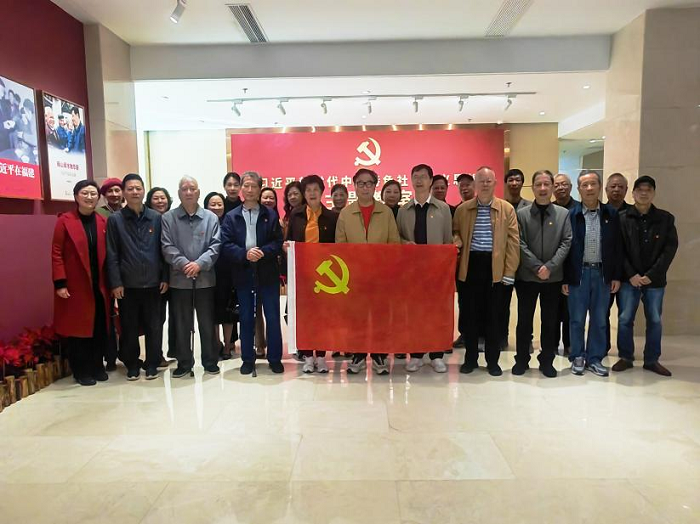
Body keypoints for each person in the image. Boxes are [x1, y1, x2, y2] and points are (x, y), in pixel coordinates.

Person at [453, 166, 519, 376]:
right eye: (480, 181)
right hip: (470, 266)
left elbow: (513, 243)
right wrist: (457, 239)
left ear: (495, 183)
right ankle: (470, 359)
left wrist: (509, 272)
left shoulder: (506, 209)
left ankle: (492, 361)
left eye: (488, 181)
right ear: (475, 184)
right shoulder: (463, 209)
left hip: (495, 268)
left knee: (494, 318)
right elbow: (454, 232)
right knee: (469, 316)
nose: (484, 184)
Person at [337, 168, 400, 375]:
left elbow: (394, 243)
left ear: (375, 186)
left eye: (369, 183)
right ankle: (359, 354)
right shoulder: (346, 213)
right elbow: (340, 246)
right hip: (355, 276)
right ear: (354, 186)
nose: (365, 187)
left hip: (380, 275)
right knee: (357, 317)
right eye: (361, 183)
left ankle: (380, 354)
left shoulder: (386, 212)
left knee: (380, 315)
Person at [221, 171, 285, 375]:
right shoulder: (232, 216)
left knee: (272, 317)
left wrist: (263, 252)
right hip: (243, 272)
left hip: (267, 272)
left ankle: (274, 358)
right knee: (247, 317)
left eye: (254, 186)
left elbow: (278, 242)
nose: (249, 190)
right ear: (241, 188)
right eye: (246, 186)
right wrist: (245, 254)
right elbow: (225, 244)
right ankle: (247, 359)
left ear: (260, 189)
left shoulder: (270, 214)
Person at [613, 175, 678, 377]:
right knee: (625, 319)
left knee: (655, 320)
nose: (643, 193)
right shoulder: (622, 218)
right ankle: (626, 357)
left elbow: (670, 249)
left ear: (653, 193)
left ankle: (651, 360)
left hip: (655, 280)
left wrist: (651, 274)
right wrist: (631, 274)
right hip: (629, 280)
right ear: (633, 193)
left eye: (648, 190)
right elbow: (618, 249)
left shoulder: (665, 219)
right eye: (640, 190)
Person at [106, 174, 168, 380]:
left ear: (143, 191)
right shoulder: (115, 220)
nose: (134, 192)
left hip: (153, 283)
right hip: (128, 284)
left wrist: (165, 277)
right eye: (130, 188)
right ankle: (132, 364)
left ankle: (152, 364)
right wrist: (116, 282)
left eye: (138, 188)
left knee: (154, 326)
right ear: (124, 192)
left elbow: (163, 250)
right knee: (129, 327)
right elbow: (112, 253)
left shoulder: (156, 218)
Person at [562, 171, 622, 377]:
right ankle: (577, 356)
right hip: (578, 274)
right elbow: (566, 248)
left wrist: (616, 275)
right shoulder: (571, 215)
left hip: (602, 274)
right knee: (577, 319)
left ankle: (595, 358)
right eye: (585, 185)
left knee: (599, 319)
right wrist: (565, 278)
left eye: (593, 184)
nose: (589, 188)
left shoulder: (611, 214)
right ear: (579, 189)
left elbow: (618, 247)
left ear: (599, 187)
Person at [513, 170, 572, 378]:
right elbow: (519, 243)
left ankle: (547, 361)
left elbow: (566, 241)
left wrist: (550, 267)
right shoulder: (522, 214)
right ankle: (521, 360)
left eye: (547, 184)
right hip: (527, 277)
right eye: (538, 184)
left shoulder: (563, 214)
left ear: (552, 187)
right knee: (524, 321)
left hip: (553, 278)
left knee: (550, 321)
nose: (543, 188)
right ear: (533, 188)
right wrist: (538, 267)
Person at [161, 176, 222, 378]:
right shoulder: (168, 218)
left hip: (205, 279)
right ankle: (184, 362)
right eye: (184, 189)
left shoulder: (211, 218)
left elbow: (215, 245)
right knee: (181, 324)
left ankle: (210, 361)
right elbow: (167, 246)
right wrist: (184, 264)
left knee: (207, 323)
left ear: (198, 192)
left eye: (192, 188)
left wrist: (199, 264)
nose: (188, 192)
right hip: (180, 280)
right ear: (179, 193)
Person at [51, 180, 110, 386]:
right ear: (76, 196)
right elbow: (56, 252)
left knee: (99, 326)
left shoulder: (103, 221)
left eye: (93, 193)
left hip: (100, 284)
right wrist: (60, 282)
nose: (89, 197)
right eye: (85, 193)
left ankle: (97, 366)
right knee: (79, 330)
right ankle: (81, 370)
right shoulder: (64, 221)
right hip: (76, 285)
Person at [397, 164, 454, 373]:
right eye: (415, 176)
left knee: (436, 313)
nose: (419, 180)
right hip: (412, 272)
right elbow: (398, 237)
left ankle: (437, 355)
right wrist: (405, 243)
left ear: (431, 181)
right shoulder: (404, 210)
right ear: (411, 180)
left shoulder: (443, 209)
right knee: (414, 313)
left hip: (436, 271)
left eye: (423, 177)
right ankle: (416, 354)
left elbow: (447, 240)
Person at [285, 174, 339, 373]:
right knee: (305, 315)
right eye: (308, 190)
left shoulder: (332, 217)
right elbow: (290, 239)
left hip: (325, 274)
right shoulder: (296, 215)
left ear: (322, 192)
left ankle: (322, 356)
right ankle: (308, 356)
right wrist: (287, 248)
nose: (312, 193)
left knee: (323, 315)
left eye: (316, 189)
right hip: (303, 272)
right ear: (304, 193)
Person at [204, 191, 237, 361]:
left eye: (219, 204)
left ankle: (228, 345)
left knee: (228, 310)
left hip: (228, 273)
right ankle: (216, 343)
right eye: (213, 204)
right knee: (212, 312)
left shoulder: (230, 223)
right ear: (206, 206)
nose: (216, 207)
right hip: (208, 272)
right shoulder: (202, 223)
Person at [500, 168, 532, 348]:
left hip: (525, 265)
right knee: (502, 304)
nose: (514, 183)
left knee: (525, 306)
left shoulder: (530, 207)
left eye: (517, 180)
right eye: (510, 180)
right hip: (505, 264)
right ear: (506, 183)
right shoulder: (500, 206)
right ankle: (501, 337)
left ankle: (526, 340)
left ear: (522, 183)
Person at [145, 186, 176, 361]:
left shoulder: (173, 218)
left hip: (177, 274)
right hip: (157, 277)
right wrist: (163, 276)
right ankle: (156, 355)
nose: (160, 201)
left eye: (163, 198)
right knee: (157, 318)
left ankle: (175, 351)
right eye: (155, 198)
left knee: (177, 316)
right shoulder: (148, 220)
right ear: (149, 201)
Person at [604, 172, 631, 353]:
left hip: (629, 275)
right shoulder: (599, 212)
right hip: (605, 275)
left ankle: (625, 353)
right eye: (613, 186)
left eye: (620, 187)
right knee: (601, 314)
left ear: (626, 190)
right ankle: (602, 348)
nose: (616, 190)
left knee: (625, 318)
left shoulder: (633, 214)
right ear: (606, 189)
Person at [553, 173, 578, 355]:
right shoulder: (550, 209)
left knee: (571, 311)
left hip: (573, 266)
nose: (560, 188)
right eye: (557, 185)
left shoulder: (579, 209)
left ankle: (569, 345)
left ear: (571, 187)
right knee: (553, 310)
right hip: (553, 267)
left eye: (564, 184)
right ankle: (552, 344)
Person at [452, 173, 476, 349]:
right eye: (461, 185)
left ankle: (480, 335)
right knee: (464, 301)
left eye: (468, 184)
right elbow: (454, 232)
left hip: (481, 261)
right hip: (462, 263)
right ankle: (464, 334)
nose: (464, 188)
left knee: (481, 301)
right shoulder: (457, 210)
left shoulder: (482, 208)